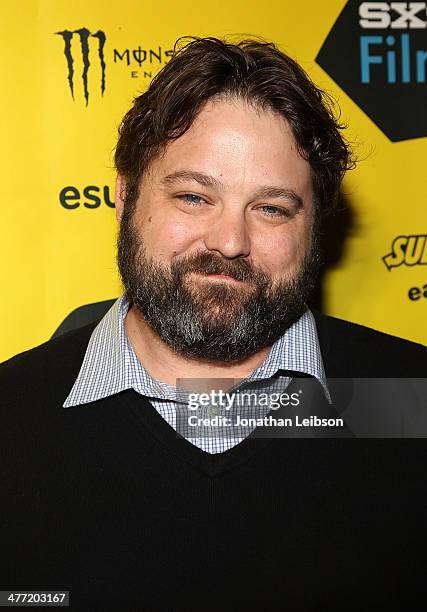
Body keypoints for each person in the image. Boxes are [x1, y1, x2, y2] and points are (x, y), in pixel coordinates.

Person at [1, 36, 426, 611]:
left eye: (271, 208)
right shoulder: (11, 415)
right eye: (195, 197)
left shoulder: (411, 401)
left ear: (315, 230)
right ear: (125, 198)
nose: (230, 242)